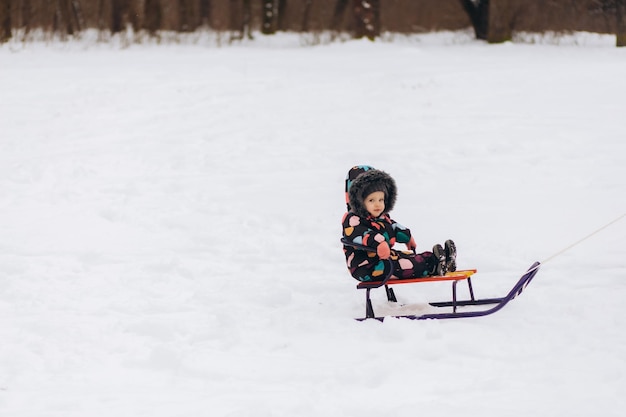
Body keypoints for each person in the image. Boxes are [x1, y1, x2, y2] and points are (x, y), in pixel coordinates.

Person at [342, 165, 456, 282]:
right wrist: (379, 243)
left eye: (381, 200)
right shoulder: (352, 220)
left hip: (384, 259)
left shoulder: (381, 217)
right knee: (404, 264)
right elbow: (360, 233)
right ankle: (433, 266)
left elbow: (393, 227)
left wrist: (407, 237)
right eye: (372, 200)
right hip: (367, 267)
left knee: (409, 257)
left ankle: (440, 260)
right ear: (358, 200)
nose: (378, 205)